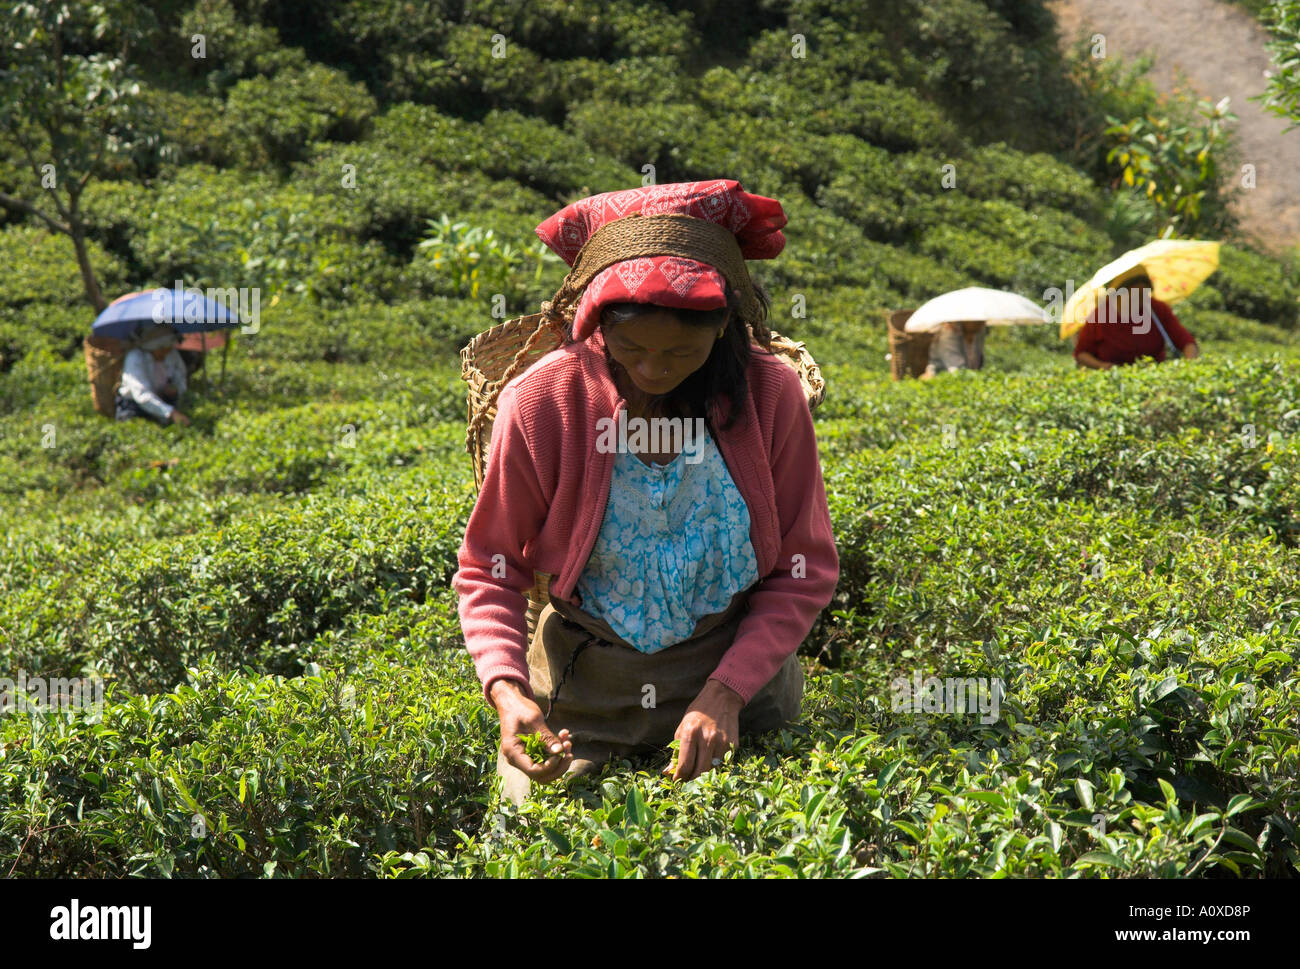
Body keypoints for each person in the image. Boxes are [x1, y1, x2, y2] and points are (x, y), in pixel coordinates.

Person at [452, 180, 840, 806]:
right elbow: (490, 568)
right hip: (587, 693)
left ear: (722, 331)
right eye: (632, 348)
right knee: (530, 834)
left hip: (740, 687)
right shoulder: (542, 403)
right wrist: (509, 692)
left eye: (681, 350)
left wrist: (727, 692)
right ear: (596, 325)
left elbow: (805, 568)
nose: (655, 369)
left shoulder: (769, 395)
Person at [1074, 272, 1200, 370]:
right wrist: (1103, 366)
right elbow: (1082, 354)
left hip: (1154, 375)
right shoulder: (1100, 315)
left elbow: (1187, 342)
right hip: (1114, 378)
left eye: (1143, 294)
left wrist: (1189, 366)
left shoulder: (1157, 309)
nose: (1140, 300)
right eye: (1134, 294)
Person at [115, 324, 192, 426]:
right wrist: (171, 413)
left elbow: (180, 376)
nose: (165, 354)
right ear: (153, 346)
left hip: (164, 402)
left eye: (168, 349)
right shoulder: (135, 358)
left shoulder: (171, 354)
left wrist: (176, 389)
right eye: (162, 350)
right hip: (135, 407)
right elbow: (141, 394)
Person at [921, 320, 986, 378]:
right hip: (942, 378)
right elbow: (955, 368)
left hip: (965, 378)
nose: (981, 322)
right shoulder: (949, 333)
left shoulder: (978, 334)